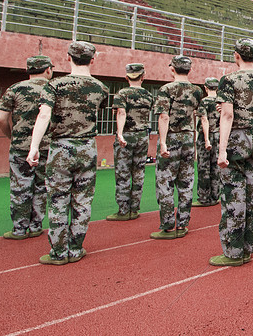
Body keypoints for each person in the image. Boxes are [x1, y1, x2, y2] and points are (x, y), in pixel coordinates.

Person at [26, 41, 108, 265]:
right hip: (87, 148)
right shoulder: (101, 88)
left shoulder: (55, 85)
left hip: (61, 147)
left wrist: (34, 147)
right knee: (82, 200)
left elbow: (43, 116)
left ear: (68, 58)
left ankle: (59, 252)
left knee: (58, 199)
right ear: (92, 60)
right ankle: (76, 247)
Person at [211, 39, 253, 266]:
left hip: (236, 138)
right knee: (252, 194)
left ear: (237, 55)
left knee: (233, 195)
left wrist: (222, 150)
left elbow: (227, 116)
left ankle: (234, 251)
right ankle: (248, 247)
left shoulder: (228, 80)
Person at [0, 55, 54, 240]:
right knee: (41, 187)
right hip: (46, 147)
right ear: (48, 70)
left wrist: (12, 136)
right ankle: (36, 226)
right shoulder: (53, 89)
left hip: (20, 147)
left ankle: (19, 229)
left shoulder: (15, 89)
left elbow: (0, 119)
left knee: (20, 187)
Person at [151, 55, 208, 240]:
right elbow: (202, 116)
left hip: (172, 136)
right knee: (186, 182)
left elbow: (164, 117)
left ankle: (168, 226)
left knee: (165, 182)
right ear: (189, 70)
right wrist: (202, 140)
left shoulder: (166, 89)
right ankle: (183, 223)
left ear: (172, 69)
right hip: (188, 138)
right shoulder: (197, 91)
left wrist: (164, 142)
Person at [107, 63, 154, 221]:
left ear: (127, 77)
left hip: (127, 135)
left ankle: (123, 210)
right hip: (142, 136)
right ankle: (134, 208)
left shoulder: (122, 93)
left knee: (123, 173)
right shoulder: (148, 95)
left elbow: (121, 112)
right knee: (138, 172)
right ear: (143, 77)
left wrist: (119, 133)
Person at [193, 77, 220, 207]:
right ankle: (215, 196)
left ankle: (204, 198)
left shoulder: (204, 102)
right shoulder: (221, 102)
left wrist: (206, 139)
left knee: (204, 167)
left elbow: (204, 120)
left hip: (207, 136)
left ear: (205, 87)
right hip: (219, 136)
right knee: (216, 167)